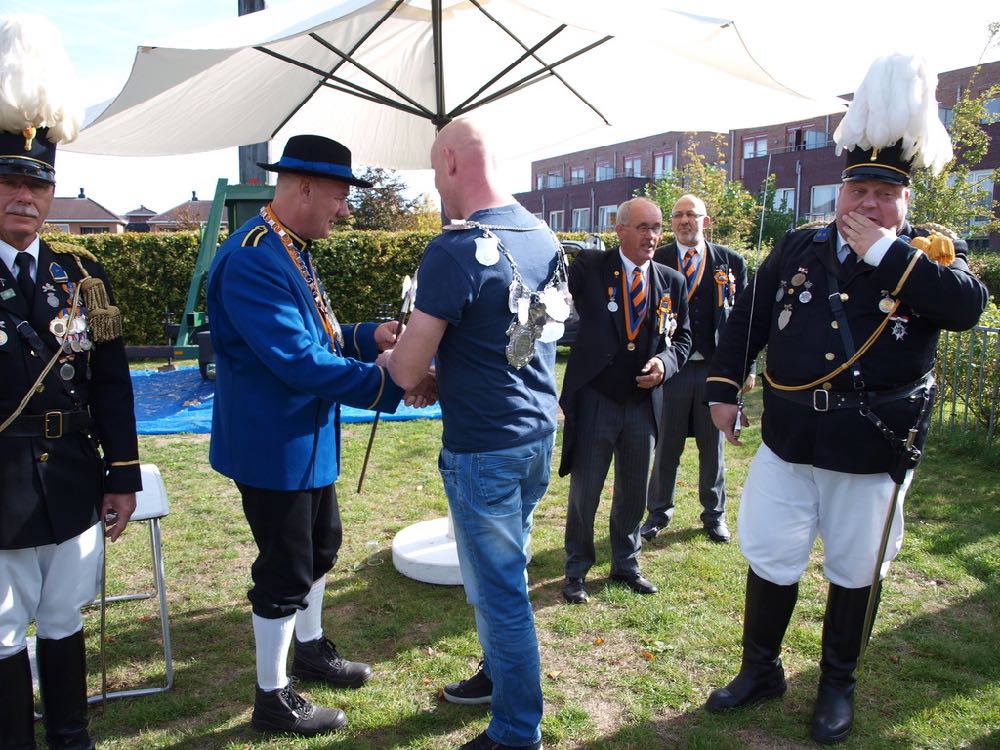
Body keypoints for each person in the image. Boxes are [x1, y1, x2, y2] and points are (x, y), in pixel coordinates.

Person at [703, 54, 989, 745]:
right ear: (841, 189)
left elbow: (968, 308)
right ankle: (761, 669)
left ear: (904, 202)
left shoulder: (929, 256)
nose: (868, 204)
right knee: (771, 553)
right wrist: (722, 387)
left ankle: (836, 685)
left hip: (872, 446)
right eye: (859, 188)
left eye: (883, 194)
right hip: (791, 437)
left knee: (857, 568)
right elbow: (749, 315)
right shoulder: (801, 245)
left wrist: (889, 253)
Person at [207, 134, 432, 737]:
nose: (345, 210)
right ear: (302, 187)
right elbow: (296, 361)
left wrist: (366, 336)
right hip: (272, 444)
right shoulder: (254, 257)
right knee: (285, 567)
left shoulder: (289, 246)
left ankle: (308, 649)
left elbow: (315, 334)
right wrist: (388, 385)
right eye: (338, 196)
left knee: (321, 548)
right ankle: (272, 696)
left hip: (305, 439)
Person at [387, 118, 564, 750]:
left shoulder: (454, 249)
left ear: (454, 163)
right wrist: (449, 370)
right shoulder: (543, 235)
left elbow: (407, 368)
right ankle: (500, 680)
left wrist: (399, 363)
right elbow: (519, 341)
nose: (436, 184)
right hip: (537, 435)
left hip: (485, 446)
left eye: (435, 171)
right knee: (504, 578)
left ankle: (517, 732)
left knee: (501, 592)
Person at [0, 14, 141, 750]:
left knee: (62, 617)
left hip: (73, 480)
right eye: (10, 181)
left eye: (37, 184)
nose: (25, 197)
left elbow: (112, 383)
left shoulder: (84, 277)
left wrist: (122, 475)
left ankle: (72, 733)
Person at [558, 197, 691, 605]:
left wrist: (665, 365)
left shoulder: (671, 280)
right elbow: (554, 296)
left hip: (641, 404)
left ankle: (626, 563)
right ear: (620, 231)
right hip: (597, 398)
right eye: (643, 227)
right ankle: (577, 568)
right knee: (586, 490)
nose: (652, 236)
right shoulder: (590, 269)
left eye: (656, 228)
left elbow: (684, 338)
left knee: (634, 489)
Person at [640, 193, 752, 544]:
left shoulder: (730, 262)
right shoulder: (655, 260)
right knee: (666, 445)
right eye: (677, 216)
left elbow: (745, 323)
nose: (684, 221)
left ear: (706, 222)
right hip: (670, 368)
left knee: (712, 446)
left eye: (692, 215)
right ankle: (658, 512)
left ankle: (714, 514)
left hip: (714, 370)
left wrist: (745, 368)